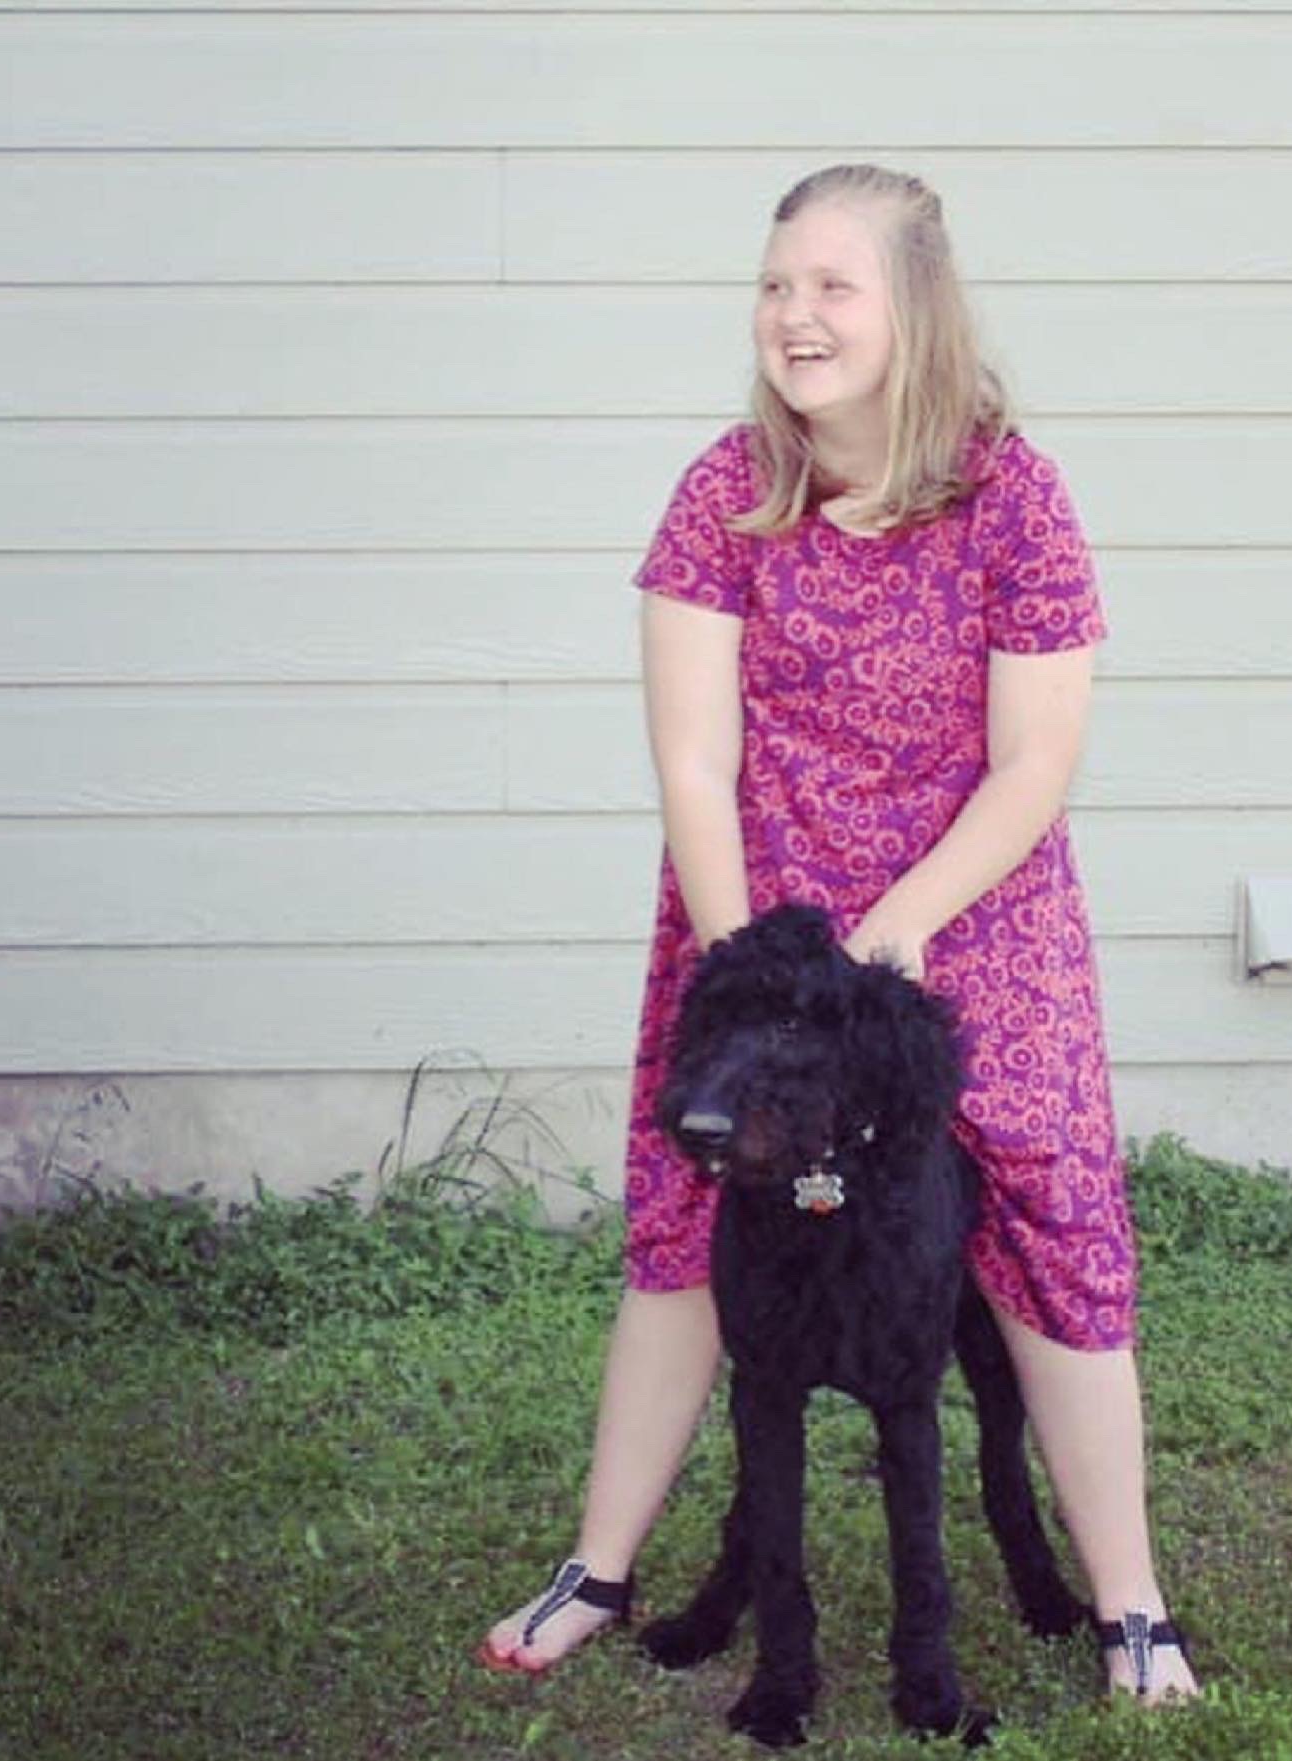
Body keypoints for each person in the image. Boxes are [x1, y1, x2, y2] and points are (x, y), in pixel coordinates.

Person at [480, 163, 1199, 1703]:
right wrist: (756, 988)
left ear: (913, 308)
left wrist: (900, 930)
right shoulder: (727, 490)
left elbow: (1036, 761)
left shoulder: (1014, 494)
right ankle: (599, 1564)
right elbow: (693, 760)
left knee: (1052, 1216)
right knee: (692, 1215)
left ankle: (1132, 1601)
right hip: (758, 920)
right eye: (773, 285)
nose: (792, 317)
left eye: (830, 286)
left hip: (974, 921)